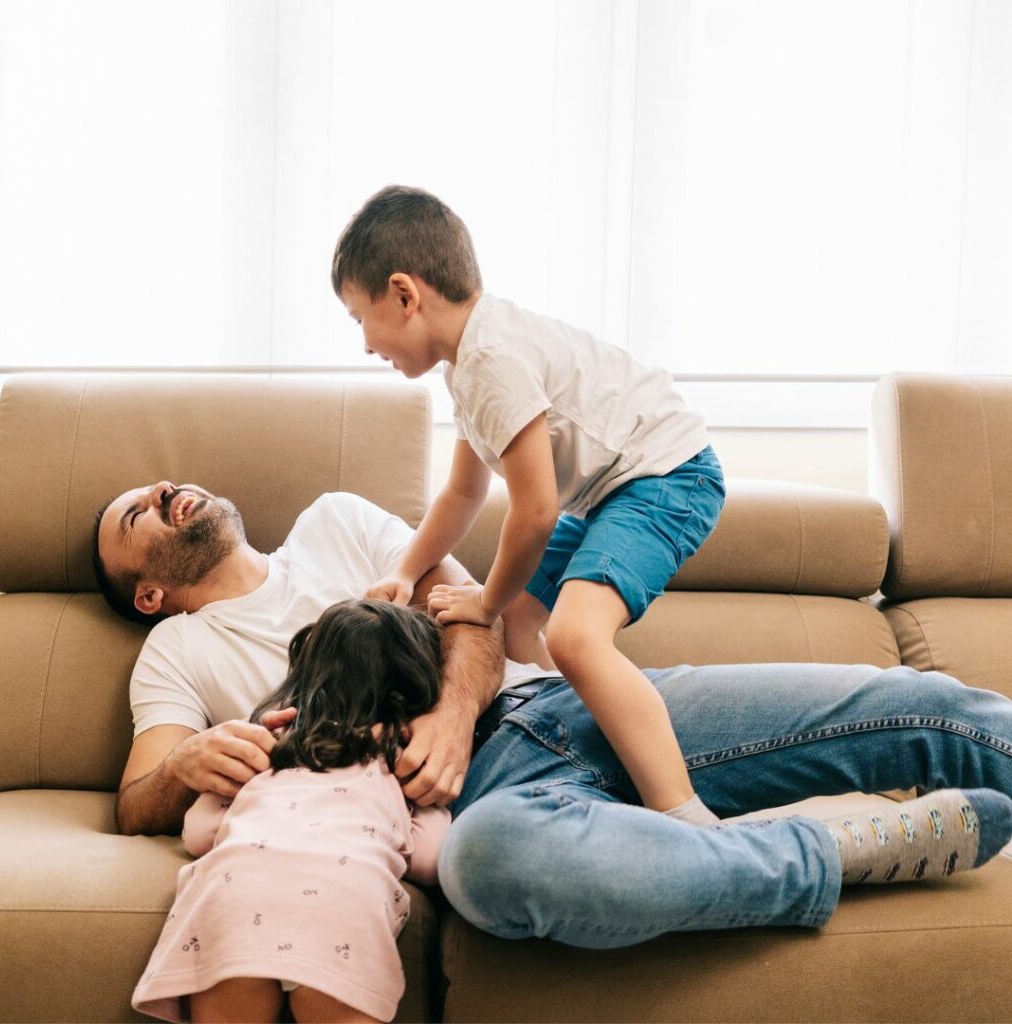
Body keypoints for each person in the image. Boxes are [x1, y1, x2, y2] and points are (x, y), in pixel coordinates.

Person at [95, 480, 1012, 950]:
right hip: (480, 812)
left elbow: (478, 622)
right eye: (136, 511)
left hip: (561, 708)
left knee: (907, 707)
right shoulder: (177, 654)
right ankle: (833, 854)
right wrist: (183, 769)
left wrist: (454, 720)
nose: (163, 491)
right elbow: (139, 798)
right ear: (147, 593)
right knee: (487, 872)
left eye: (162, 482)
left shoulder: (337, 523)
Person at [332, 184, 725, 825]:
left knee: (571, 634)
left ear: (405, 295)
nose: (366, 345)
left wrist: (482, 600)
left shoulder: (490, 359)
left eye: (360, 321)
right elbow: (465, 490)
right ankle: (567, 744)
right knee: (518, 619)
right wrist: (407, 570)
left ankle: (683, 813)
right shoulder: (469, 364)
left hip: (668, 476)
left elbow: (537, 511)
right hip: (616, 488)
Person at [131, 599, 450, 1024]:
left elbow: (197, 833)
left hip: (236, 891)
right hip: (344, 898)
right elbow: (429, 861)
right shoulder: (400, 762)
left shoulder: (266, 746)